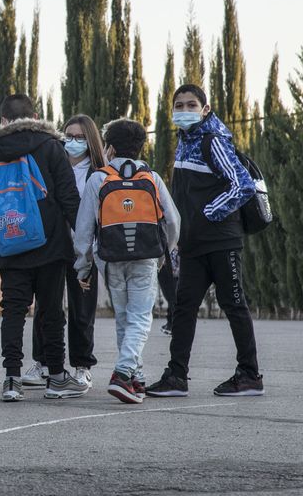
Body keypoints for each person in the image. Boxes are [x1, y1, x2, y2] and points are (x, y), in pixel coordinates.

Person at [151, 84, 262, 398]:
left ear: (205, 109)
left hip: (221, 241)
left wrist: (208, 213)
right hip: (193, 245)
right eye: (179, 105)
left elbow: (241, 186)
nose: (184, 110)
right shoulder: (185, 142)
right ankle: (176, 376)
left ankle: (250, 375)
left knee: (234, 305)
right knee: (183, 308)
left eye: (191, 104)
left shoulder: (213, 141)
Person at [0, 94, 81, 402]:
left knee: (13, 311)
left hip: (9, 244)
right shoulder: (51, 146)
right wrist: (84, 240)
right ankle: (57, 378)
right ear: (34, 116)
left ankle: (12, 379)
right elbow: (69, 197)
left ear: (4, 120)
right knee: (51, 312)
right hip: (51, 244)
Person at [73, 119, 180, 403]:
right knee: (141, 317)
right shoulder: (152, 178)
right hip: (146, 256)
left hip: (109, 258)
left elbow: (84, 229)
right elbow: (173, 221)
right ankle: (123, 373)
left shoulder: (98, 178)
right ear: (141, 147)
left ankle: (136, 379)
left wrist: (83, 266)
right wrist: (162, 252)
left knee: (124, 317)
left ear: (109, 147)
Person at [24, 114, 105, 389]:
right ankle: (43, 362)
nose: (73, 142)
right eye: (68, 136)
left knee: (82, 310)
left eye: (80, 137)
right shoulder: (52, 165)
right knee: (48, 308)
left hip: (85, 250)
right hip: (53, 247)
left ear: (91, 140)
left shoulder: (99, 173)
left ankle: (82, 366)